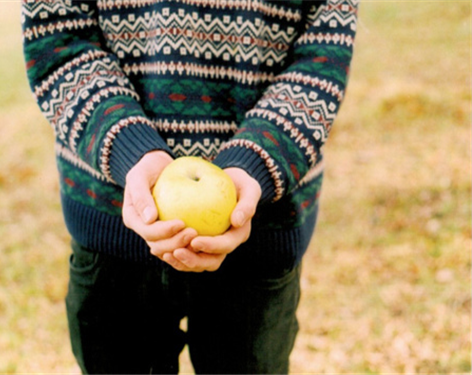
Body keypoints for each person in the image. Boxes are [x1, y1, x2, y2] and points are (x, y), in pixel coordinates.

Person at [22, 0, 358, 373]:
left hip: (259, 228)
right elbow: (56, 37)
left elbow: (322, 55)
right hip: (112, 224)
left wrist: (257, 160)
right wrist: (128, 146)